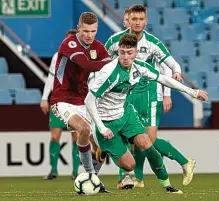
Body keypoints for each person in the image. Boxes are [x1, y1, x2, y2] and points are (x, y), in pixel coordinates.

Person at [85, 33, 208, 194]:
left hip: (125, 113)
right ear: (118, 52)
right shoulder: (109, 73)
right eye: (122, 52)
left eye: (129, 53)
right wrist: (101, 128)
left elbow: (164, 79)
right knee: (129, 165)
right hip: (106, 122)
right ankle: (104, 147)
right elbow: (89, 100)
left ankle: (167, 186)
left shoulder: (139, 66)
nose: (125, 57)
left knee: (147, 145)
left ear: (136, 53)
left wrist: (192, 92)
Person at [105, 4, 196, 188]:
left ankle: (185, 162)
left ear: (146, 21)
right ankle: (133, 178)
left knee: (149, 140)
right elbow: (101, 61)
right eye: (134, 19)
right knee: (129, 137)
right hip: (126, 93)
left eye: (141, 19)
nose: (137, 22)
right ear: (127, 20)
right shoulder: (115, 41)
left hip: (149, 95)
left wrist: (175, 76)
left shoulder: (153, 43)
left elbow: (172, 65)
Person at [50, 12, 111, 192]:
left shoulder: (98, 46)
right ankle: (89, 176)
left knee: (103, 145)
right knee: (83, 129)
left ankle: (93, 181)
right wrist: (114, 62)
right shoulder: (69, 43)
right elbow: (86, 65)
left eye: (93, 31)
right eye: (85, 31)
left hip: (84, 101)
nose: (89, 35)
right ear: (78, 28)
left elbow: (107, 66)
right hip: (62, 99)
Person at [41, 29, 81, 180]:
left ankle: (75, 171)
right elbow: (51, 78)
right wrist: (45, 98)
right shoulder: (57, 56)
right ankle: (53, 170)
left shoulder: (82, 57)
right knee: (55, 137)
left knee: (76, 137)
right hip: (58, 101)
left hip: (75, 102)